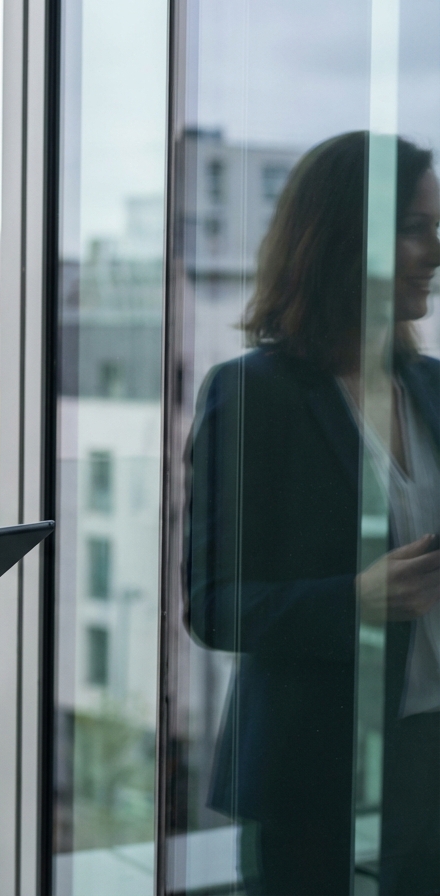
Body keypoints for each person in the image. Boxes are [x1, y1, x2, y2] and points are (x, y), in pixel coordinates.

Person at [185, 130, 440, 895]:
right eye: (417, 229)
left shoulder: (431, 387)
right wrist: (355, 602)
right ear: (343, 237)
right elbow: (213, 607)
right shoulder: (253, 394)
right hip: (315, 783)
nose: (436, 250)